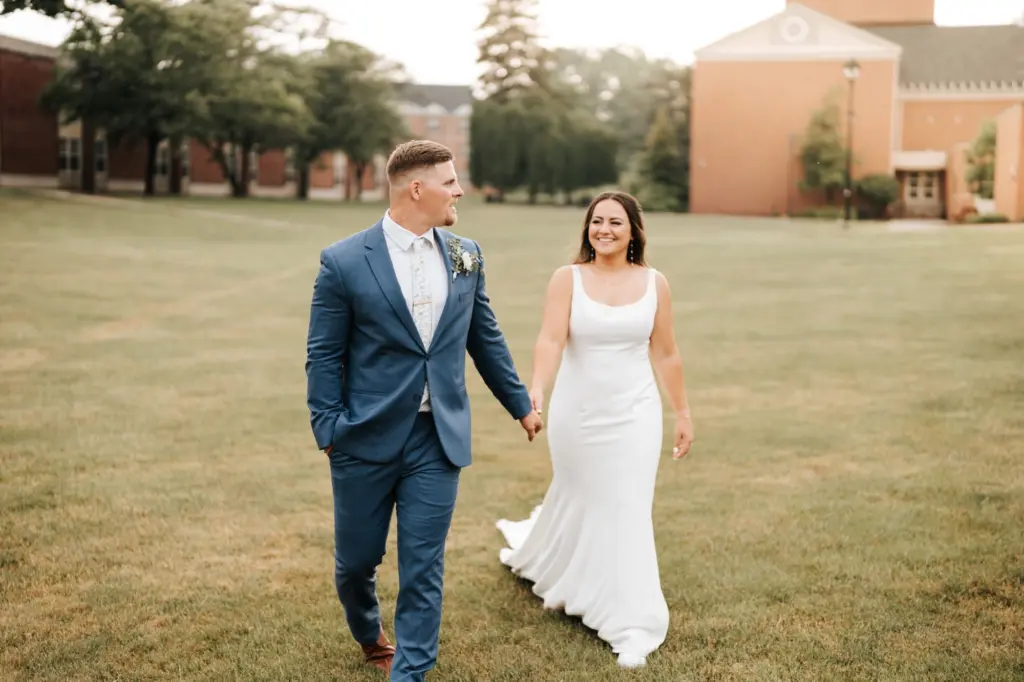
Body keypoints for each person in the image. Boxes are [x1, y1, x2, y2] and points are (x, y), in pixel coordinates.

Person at [306, 139, 544, 681]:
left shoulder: (466, 254)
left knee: (423, 566)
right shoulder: (343, 261)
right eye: (450, 181)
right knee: (355, 565)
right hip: (363, 436)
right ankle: (369, 631)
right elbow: (323, 353)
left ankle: (408, 673)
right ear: (418, 189)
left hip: (438, 438)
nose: (460, 190)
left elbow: (484, 336)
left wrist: (518, 405)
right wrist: (328, 427)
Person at [495, 190, 694, 669]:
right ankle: (563, 570)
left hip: (636, 413)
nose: (604, 229)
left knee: (627, 507)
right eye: (596, 221)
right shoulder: (568, 279)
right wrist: (535, 389)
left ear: (633, 232)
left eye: (615, 222)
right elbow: (550, 338)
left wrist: (683, 412)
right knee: (582, 496)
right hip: (578, 412)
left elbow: (665, 352)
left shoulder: (654, 283)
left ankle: (632, 624)